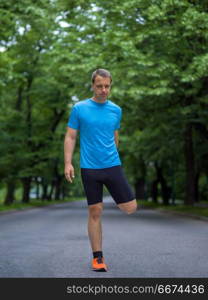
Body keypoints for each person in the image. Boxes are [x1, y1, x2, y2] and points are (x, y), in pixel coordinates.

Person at [64, 69, 137, 272]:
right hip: (89, 168)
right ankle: (98, 258)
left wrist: (112, 152)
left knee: (130, 208)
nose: (103, 90)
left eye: (107, 86)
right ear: (92, 86)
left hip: (112, 165)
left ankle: (117, 195)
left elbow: (114, 134)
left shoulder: (116, 110)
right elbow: (70, 137)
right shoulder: (79, 108)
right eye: (99, 86)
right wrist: (68, 163)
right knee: (95, 211)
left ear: (110, 86)